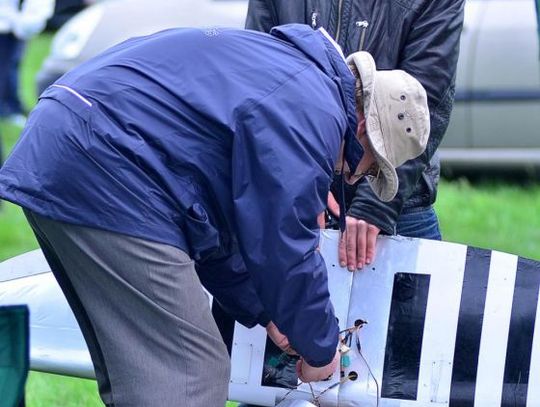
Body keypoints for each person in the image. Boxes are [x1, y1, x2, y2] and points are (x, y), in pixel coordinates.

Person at [0, 25, 429, 406]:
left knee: (147, 378)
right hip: (107, 167)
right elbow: (285, 246)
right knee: (193, 373)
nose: (351, 176)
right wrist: (321, 348)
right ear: (363, 131)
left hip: (68, 146)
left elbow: (217, 232)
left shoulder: (295, 79)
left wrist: (267, 313)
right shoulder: (311, 112)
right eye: (368, 168)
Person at [246, 0, 465, 271]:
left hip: (397, 199)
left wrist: (375, 204)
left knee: (424, 299)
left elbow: (424, 100)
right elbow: (260, 82)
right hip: (296, 188)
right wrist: (301, 183)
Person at [0, 0, 55, 126]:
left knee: (11, 66)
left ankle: (11, 105)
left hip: (13, 24)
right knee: (4, 69)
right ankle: (8, 107)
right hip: (6, 25)